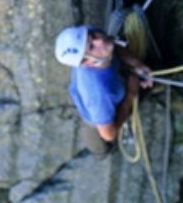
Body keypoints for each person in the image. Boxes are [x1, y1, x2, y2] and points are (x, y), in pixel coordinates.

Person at [55, 25, 153, 156]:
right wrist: (131, 94)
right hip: (96, 120)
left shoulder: (90, 34)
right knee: (102, 148)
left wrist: (137, 64)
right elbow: (108, 134)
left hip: (97, 94)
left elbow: (112, 46)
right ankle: (106, 151)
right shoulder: (98, 94)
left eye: (93, 37)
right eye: (91, 47)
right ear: (87, 62)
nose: (99, 41)